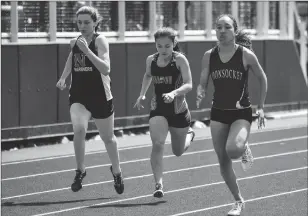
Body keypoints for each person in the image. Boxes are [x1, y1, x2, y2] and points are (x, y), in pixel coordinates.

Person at [196, 14, 267, 216]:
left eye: (227, 27)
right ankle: (238, 201)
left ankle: (243, 147)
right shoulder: (209, 55)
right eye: (218, 27)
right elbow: (203, 78)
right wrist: (201, 89)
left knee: (233, 150)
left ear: (234, 31)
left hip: (240, 113)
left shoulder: (245, 55)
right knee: (223, 160)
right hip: (218, 113)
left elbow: (262, 78)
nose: (222, 31)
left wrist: (261, 107)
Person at [56, 6, 124, 194]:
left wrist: (86, 50)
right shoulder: (76, 41)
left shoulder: (100, 41)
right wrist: (64, 77)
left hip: (100, 95)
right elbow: (71, 58)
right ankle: (80, 170)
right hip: (79, 94)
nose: (83, 26)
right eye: (80, 22)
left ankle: (117, 171)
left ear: (95, 23)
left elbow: (106, 69)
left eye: (87, 22)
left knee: (107, 138)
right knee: (79, 129)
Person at [134, 27, 195, 198]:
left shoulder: (180, 60)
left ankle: (190, 134)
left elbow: (189, 84)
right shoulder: (151, 60)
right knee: (158, 143)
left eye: (167, 46)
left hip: (178, 110)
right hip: (158, 108)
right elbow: (147, 76)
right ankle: (158, 183)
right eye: (159, 46)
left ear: (174, 43)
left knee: (178, 151)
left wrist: (174, 93)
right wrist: (142, 94)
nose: (163, 50)